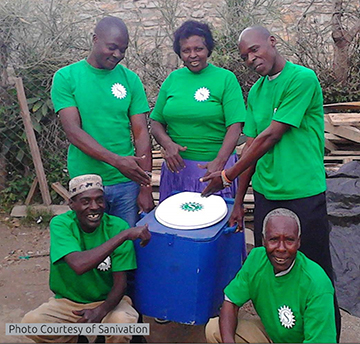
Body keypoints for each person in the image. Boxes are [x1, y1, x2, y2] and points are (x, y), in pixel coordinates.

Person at [200, 25, 341, 339]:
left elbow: (271, 136)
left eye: (254, 49)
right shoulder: (257, 92)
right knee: (273, 270)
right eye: (244, 56)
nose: (250, 58)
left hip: (303, 193)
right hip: (266, 196)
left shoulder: (301, 79)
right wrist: (238, 202)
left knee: (315, 273)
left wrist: (226, 176)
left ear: (272, 42)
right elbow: (250, 148)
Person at [21, 174, 151, 343]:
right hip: (69, 303)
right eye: (85, 201)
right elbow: (79, 264)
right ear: (71, 205)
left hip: (109, 302)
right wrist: (123, 236)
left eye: (99, 200)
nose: (94, 207)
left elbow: (121, 283)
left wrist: (101, 310)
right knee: (31, 324)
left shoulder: (117, 226)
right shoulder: (61, 224)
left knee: (122, 325)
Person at [51, 16, 154, 228]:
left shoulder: (130, 80)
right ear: (95, 39)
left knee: (125, 246)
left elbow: (142, 133)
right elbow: (73, 132)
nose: (118, 55)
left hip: (126, 183)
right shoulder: (67, 77)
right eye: (112, 47)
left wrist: (145, 186)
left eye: (123, 50)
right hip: (86, 183)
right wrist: (117, 161)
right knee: (92, 248)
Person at [205, 208, 336, 343]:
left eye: (289, 240)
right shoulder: (256, 259)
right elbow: (230, 303)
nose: (281, 248)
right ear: (263, 240)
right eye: (273, 239)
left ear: (299, 242)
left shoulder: (317, 284)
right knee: (214, 330)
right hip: (272, 336)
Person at [150, 20, 246, 202]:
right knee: (176, 226)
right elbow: (156, 122)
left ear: (208, 49)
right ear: (179, 53)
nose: (193, 55)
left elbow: (235, 126)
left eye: (198, 49)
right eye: (186, 50)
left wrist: (219, 162)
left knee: (212, 225)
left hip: (213, 171)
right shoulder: (173, 79)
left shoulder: (226, 79)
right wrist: (168, 144)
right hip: (176, 170)